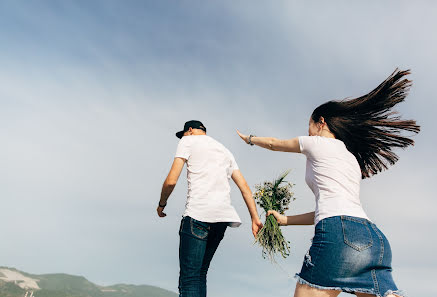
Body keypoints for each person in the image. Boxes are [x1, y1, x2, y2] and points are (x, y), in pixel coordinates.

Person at [237, 69, 419, 297]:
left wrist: (250, 139)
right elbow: (331, 208)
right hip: (374, 239)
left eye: (310, 126)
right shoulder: (350, 158)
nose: (308, 132)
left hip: (338, 236)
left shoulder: (316, 144)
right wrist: (285, 220)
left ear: (321, 122)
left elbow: (275, 143)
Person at [158, 120, 262, 297]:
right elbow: (244, 186)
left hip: (198, 215)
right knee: (200, 276)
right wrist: (255, 218)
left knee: (189, 279)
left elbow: (171, 181)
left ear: (189, 130)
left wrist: (162, 204)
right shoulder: (225, 151)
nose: (182, 137)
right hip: (222, 220)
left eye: (183, 133)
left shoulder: (187, 141)